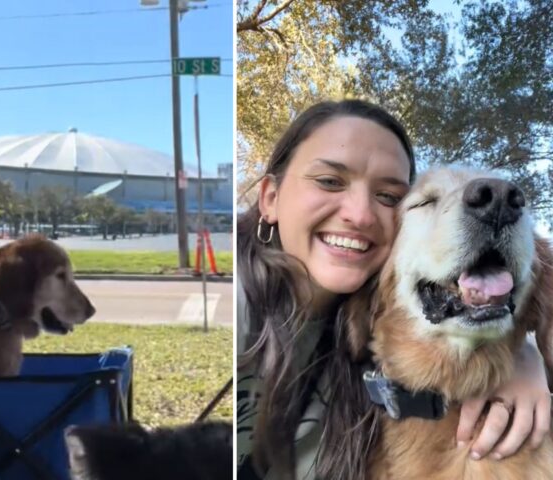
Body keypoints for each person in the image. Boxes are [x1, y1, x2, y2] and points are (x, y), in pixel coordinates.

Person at [236, 99, 551, 480]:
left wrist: (526, 356)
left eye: (388, 197)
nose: (360, 215)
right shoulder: (237, 296)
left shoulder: (349, 327)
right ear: (270, 197)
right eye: (329, 181)